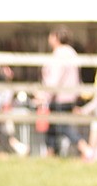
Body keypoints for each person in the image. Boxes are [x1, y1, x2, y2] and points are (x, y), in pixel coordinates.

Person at [35, 26, 92, 159]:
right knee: (53, 127)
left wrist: (45, 95)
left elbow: (55, 78)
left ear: (55, 37)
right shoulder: (72, 53)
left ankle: (85, 148)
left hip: (59, 96)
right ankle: (50, 154)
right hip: (70, 95)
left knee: (62, 126)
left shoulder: (59, 54)